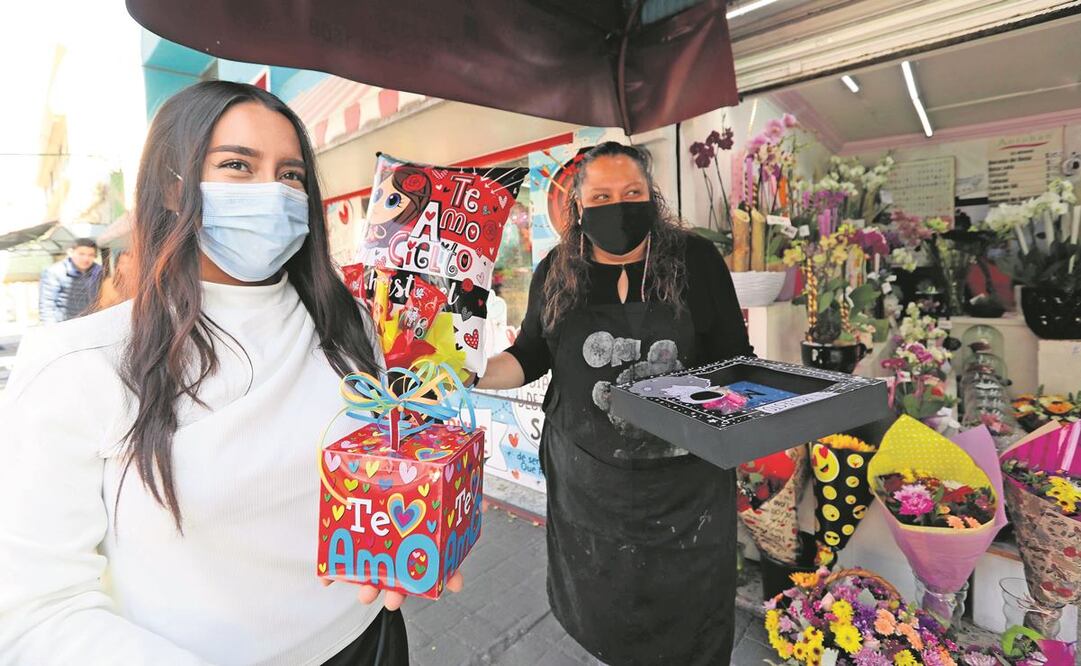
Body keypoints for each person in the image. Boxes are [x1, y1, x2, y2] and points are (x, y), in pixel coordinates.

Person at [0, 81, 459, 665]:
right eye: (238, 165)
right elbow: (35, 613)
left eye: (291, 175)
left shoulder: (346, 321)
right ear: (172, 186)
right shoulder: (80, 364)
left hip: (373, 637)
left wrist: (423, 524)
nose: (274, 192)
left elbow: (373, 469)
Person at [476, 141, 753, 665]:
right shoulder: (557, 269)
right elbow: (531, 354)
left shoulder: (695, 260)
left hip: (686, 484)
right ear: (579, 206)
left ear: (653, 198)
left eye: (632, 192)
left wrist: (752, 417)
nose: (618, 205)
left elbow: (734, 360)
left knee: (690, 619)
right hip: (588, 481)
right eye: (601, 195)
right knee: (606, 610)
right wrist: (473, 374)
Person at [38, 237, 104, 323]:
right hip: (66, 325)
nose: (86, 259)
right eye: (81, 254)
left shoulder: (100, 271)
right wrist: (51, 329)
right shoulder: (54, 272)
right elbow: (47, 304)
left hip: (93, 323)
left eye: (90, 255)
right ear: (71, 253)